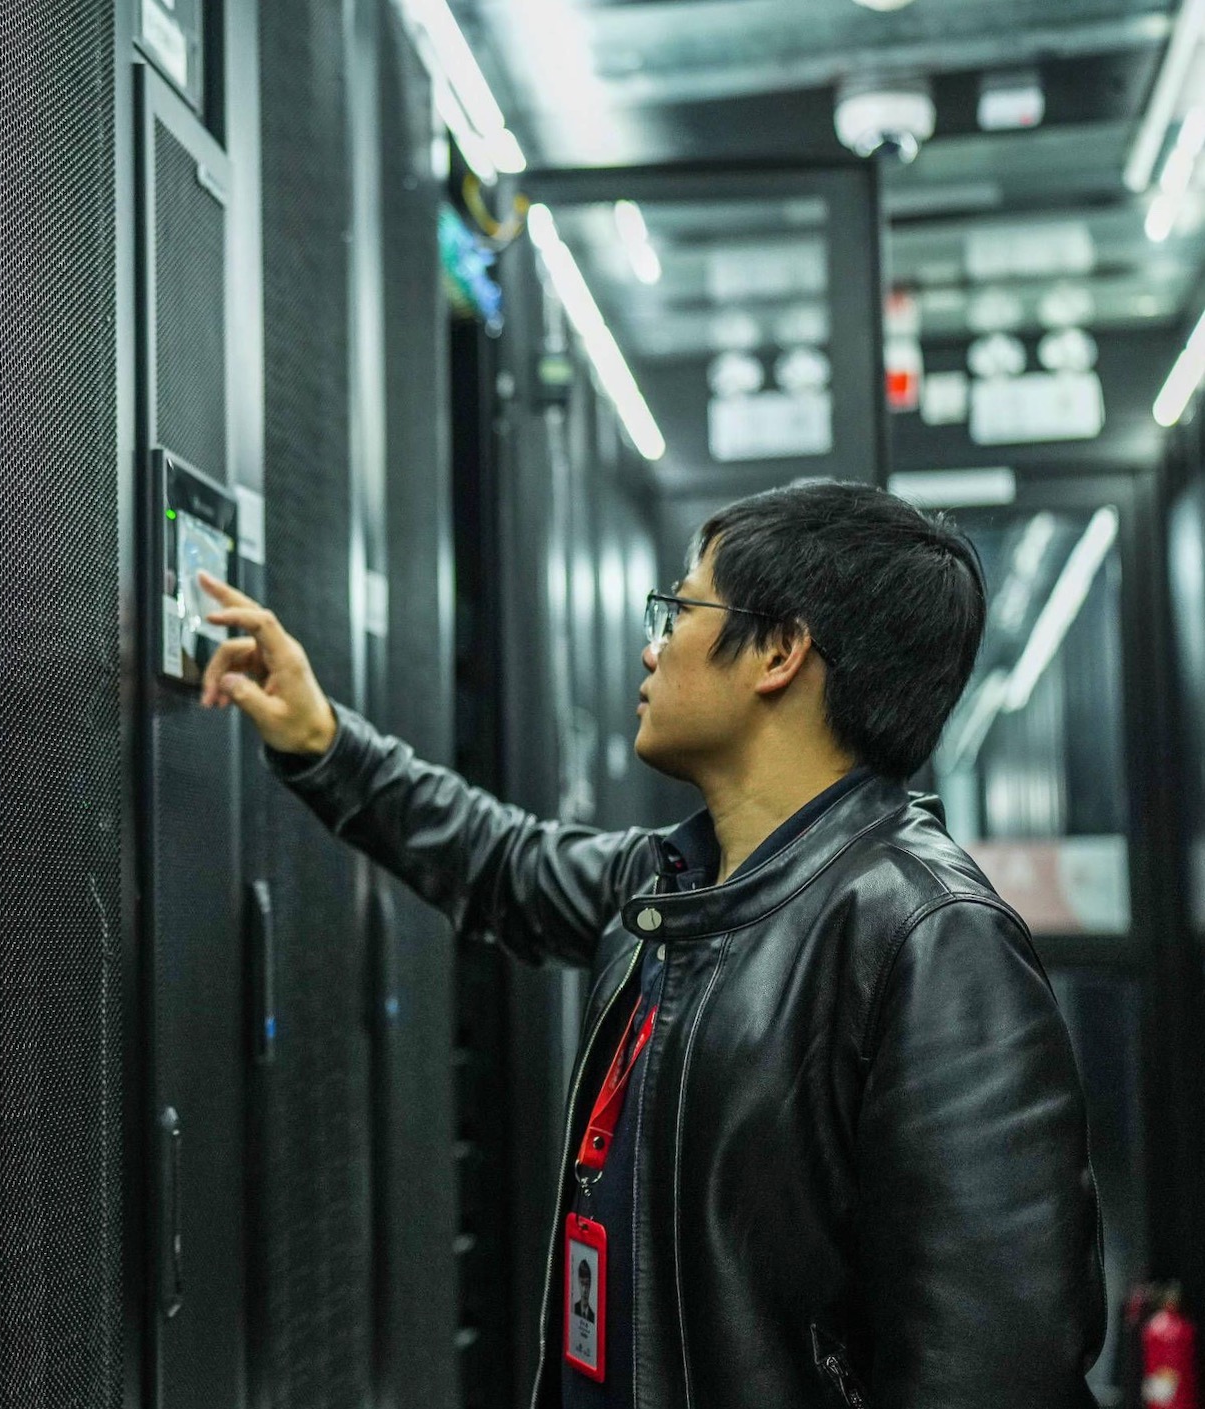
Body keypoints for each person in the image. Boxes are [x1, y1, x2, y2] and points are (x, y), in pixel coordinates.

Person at [198, 480, 1102, 1409]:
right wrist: (323, 741)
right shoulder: (676, 884)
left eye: (677, 610)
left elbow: (998, 1365)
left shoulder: (930, 936)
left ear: (781, 651)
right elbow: (499, 862)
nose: (650, 644)